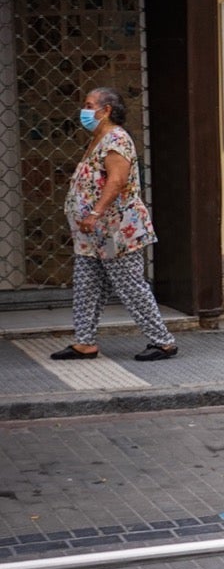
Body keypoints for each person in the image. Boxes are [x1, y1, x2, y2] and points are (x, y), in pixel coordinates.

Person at [52, 87, 179, 363]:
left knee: (129, 283)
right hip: (91, 232)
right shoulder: (97, 139)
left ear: (106, 109)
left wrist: (95, 213)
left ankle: (163, 341)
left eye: (89, 105)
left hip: (113, 228)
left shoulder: (116, 139)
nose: (84, 111)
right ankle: (84, 342)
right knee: (87, 283)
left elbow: (117, 181)